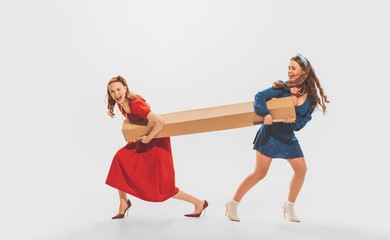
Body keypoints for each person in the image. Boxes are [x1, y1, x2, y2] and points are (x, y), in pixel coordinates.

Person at [225, 54, 329, 222]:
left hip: (288, 136)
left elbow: (302, 122)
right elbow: (259, 96)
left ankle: (289, 205)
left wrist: (292, 122)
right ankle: (233, 203)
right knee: (259, 173)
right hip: (270, 134)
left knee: (301, 170)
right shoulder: (283, 88)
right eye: (288, 68)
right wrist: (265, 113)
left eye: (293, 68)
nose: (289, 71)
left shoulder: (311, 99)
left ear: (304, 71)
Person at [105, 75, 208, 219]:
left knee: (163, 186)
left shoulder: (135, 104)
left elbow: (160, 121)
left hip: (156, 140)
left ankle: (199, 203)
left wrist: (147, 138)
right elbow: (138, 123)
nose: (116, 94)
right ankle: (123, 203)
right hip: (145, 139)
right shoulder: (121, 103)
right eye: (112, 92)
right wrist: (135, 136)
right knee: (119, 160)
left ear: (125, 88)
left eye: (118, 89)